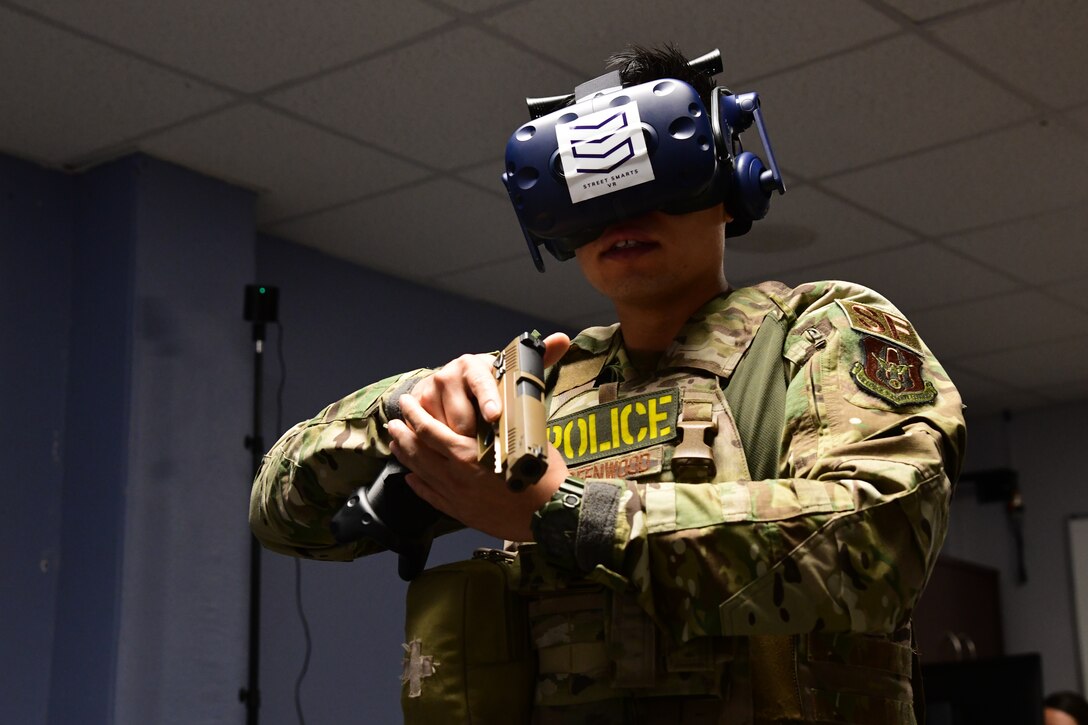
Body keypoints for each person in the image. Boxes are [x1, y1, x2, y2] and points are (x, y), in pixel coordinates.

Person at [250, 44, 966, 724]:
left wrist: (561, 514)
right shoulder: (535, 389)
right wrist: (408, 407)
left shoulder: (815, 334)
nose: (621, 214)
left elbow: (879, 541)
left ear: (728, 183)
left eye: (658, 176)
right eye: (587, 192)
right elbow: (289, 519)